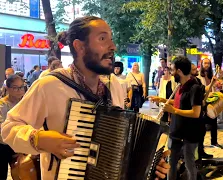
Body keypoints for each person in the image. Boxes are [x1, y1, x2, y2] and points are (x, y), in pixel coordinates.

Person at [1, 16, 169, 180]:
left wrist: (149, 165)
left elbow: (121, 140)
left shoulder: (114, 85)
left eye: (111, 39)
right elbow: (9, 128)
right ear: (79, 46)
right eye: (103, 38)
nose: (113, 47)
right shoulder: (49, 85)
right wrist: (39, 139)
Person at [150, 56, 202, 180]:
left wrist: (174, 111)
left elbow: (196, 112)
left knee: (189, 163)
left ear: (179, 71)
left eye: (172, 70)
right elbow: (180, 102)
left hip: (190, 133)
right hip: (176, 131)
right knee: (171, 163)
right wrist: (162, 99)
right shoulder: (180, 85)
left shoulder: (195, 87)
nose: (171, 73)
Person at [0, 75, 25, 179]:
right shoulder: (2, 104)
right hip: (5, 144)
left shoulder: (24, 102)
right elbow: (2, 128)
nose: (19, 91)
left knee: (22, 172)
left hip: (20, 142)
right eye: (15, 87)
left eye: (21, 87)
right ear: (8, 89)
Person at [197, 58, 223, 149]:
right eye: (205, 63)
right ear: (202, 64)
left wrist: (218, 85)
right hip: (203, 101)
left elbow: (215, 88)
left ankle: (214, 141)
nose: (207, 65)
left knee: (214, 122)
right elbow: (202, 89)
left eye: (208, 63)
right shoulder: (199, 77)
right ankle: (200, 143)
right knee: (202, 124)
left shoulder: (212, 75)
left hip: (212, 100)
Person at [191, 64, 213, 159]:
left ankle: (200, 151)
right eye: (194, 69)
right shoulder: (191, 82)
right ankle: (195, 155)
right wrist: (212, 83)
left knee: (202, 132)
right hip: (194, 111)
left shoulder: (198, 80)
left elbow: (204, 92)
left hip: (200, 110)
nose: (197, 70)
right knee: (196, 133)